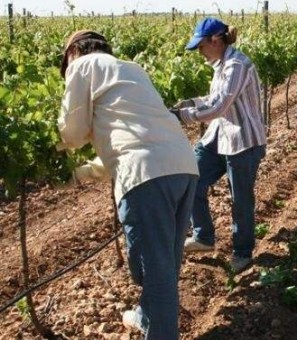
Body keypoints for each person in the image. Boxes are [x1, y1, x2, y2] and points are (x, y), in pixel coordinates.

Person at [58, 30, 199, 339]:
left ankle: (160, 331)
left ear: (72, 54)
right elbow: (131, 140)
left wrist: (48, 153)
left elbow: (72, 132)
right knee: (165, 263)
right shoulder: (131, 69)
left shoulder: (82, 67)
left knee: (154, 269)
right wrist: (80, 175)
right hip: (183, 167)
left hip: (147, 176)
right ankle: (148, 317)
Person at [170, 18, 267, 273]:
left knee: (240, 200)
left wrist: (182, 117)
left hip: (243, 141)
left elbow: (218, 107)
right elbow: (212, 98)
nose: (199, 52)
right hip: (218, 137)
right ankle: (203, 237)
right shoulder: (221, 65)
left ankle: (243, 253)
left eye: (201, 46)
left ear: (215, 40)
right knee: (190, 179)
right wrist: (188, 103)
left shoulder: (237, 65)